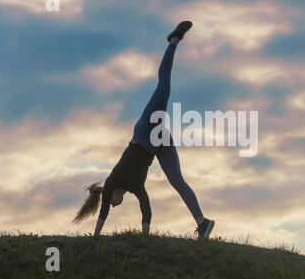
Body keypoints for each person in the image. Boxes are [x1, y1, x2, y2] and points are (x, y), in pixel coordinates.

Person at [73, 21, 215, 239]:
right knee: (177, 180)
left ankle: (173, 41)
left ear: (109, 198)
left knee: (163, 87)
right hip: (157, 142)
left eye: (111, 203)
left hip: (145, 129)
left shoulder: (112, 182)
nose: (115, 206)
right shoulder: (134, 186)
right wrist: (145, 237)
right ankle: (202, 223)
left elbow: (103, 213)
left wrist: (96, 236)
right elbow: (146, 209)